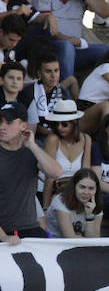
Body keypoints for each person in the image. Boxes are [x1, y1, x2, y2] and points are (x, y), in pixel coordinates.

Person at [26, 0, 109, 82]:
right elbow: (46, 27)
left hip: (76, 49)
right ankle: (66, 95)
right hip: (50, 48)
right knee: (66, 47)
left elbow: (106, 12)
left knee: (106, 50)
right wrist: (67, 39)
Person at [0, 102, 63, 239]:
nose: (2, 127)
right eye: (0, 121)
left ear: (23, 126)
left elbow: (56, 173)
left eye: (9, 122)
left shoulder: (30, 151)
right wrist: (4, 237)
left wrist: (33, 146)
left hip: (29, 228)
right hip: (3, 231)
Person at [41, 100, 91, 208]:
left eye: (64, 124)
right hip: (56, 191)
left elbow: (86, 173)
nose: (59, 127)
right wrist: (45, 207)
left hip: (78, 192)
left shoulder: (86, 139)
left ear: (74, 122)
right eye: (56, 124)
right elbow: (49, 177)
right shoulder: (53, 139)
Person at [47, 167, 103, 239]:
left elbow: (94, 239)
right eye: (82, 187)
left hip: (81, 245)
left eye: (91, 188)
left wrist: (89, 216)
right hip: (56, 243)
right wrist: (88, 241)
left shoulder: (96, 203)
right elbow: (69, 237)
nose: (86, 192)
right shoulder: (61, 200)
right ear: (74, 187)